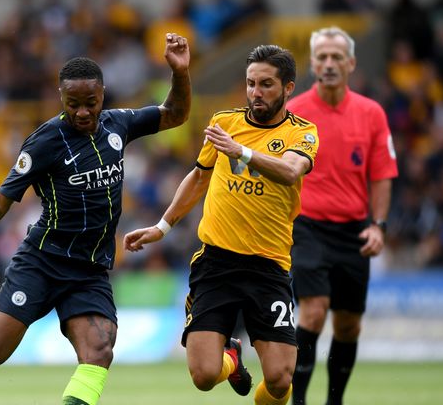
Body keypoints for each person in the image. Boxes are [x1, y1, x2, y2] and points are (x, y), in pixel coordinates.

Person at [0, 32, 191, 405]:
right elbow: (0, 202)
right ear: (61, 98)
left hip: (90, 269)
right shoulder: (45, 142)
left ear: (103, 95)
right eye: (73, 103)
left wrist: (180, 73)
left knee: (99, 351)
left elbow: (175, 114)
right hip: (43, 262)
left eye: (90, 103)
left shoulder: (118, 125)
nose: (82, 112)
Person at [124, 44, 318, 405]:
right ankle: (230, 358)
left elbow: (290, 172)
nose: (255, 93)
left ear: (288, 87)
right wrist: (162, 227)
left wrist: (240, 152)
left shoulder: (302, 132)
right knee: (203, 376)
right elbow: (198, 179)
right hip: (217, 263)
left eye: (266, 85)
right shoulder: (225, 123)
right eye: (250, 83)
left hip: (269, 265)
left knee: (279, 379)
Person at [287, 26, 398, 405]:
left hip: (353, 230)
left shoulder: (371, 114)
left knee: (348, 324)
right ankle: (298, 400)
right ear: (312, 63)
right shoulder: (294, 113)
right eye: (322, 57)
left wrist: (378, 226)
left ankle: (335, 400)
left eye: (337, 57)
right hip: (307, 226)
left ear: (351, 63)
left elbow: (382, 174)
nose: (329, 64)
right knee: (314, 311)